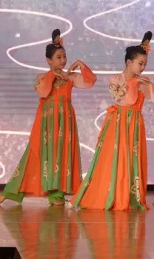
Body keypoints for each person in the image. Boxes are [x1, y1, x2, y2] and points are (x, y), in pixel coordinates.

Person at [69, 32, 154, 210]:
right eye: (140, 63)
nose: (143, 67)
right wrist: (134, 84)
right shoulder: (115, 79)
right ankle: (108, 194)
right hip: (118, 122)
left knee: (131, 158)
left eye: (145, 64)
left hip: (134, 124)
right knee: (112, 158)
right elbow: (123, 100)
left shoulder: (143, 82)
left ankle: (128, 195)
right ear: (129, 62)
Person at [0, 29, 96, 206]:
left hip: (65, 120)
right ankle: (10, 191)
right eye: (58, 57)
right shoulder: (42, 77)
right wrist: (52, 75)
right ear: (48, 60)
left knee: (61, 153)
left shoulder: (70, 77)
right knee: (36, 153)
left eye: (64, 56)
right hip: (48, 121)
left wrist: (80, 64)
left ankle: (57, 194)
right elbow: (44, 92)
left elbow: (90, 82)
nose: (63, 60)